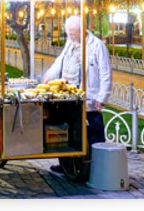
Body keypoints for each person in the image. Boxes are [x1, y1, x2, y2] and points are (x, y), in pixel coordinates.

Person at [41, 15, 112, 174]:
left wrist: (102, 97)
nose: (70, 36)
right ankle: (67, 163)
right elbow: (59, 62)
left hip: (89, 97)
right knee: (71, 132)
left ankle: (98, 169)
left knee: (93, 133)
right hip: (69, 96)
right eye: (68, 33)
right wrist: (48, 77)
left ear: (82, 31)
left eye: (72, 33)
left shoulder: (97, 46)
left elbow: (106, 74)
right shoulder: (70, 43)